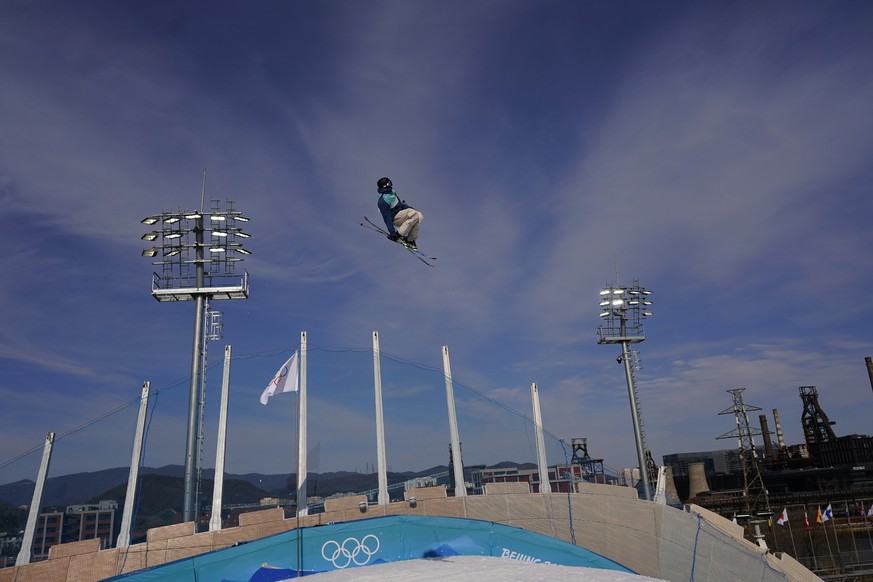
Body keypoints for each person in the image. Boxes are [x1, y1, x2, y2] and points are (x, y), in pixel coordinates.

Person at [376, 177, 423, 249]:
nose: (391, 185)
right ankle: (399, 234)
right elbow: (387, 218)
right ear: (385, 185)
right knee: (414, 214)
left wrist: (410, 208)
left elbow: (400, 204)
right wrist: (392, 233)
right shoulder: (383, 201)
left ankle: (410, 240)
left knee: (419, 216)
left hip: (401, 214)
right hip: (394, 218)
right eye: (389, 183)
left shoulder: (391, 192)